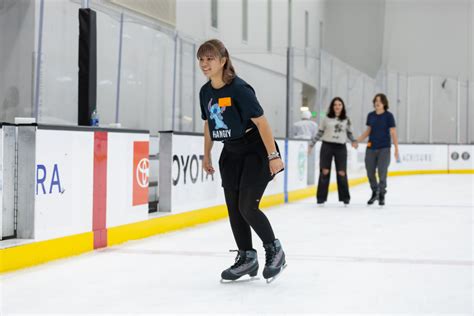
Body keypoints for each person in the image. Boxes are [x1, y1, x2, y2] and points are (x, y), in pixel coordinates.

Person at [198, 39, 286, 282]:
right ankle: (247, 257)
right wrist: (207, 153)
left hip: (256, 151)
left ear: (223, 60)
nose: (204, 64)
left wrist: (273, 156)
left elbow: (262, 122)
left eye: (210, 59)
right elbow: (208, 124)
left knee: (247, 206)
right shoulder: (205, 92)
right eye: (201, 59)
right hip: (231, 152)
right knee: (234, 209)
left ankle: (275, 250)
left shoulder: (239, 89)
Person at [308, 97, 358, 205]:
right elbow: (320, 133)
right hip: (327, 146)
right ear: (332, 106)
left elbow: (349, 133)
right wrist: (311, 144)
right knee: (325, 171)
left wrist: (354, 141)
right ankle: (321, 198)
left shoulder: (346, 119)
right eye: (335, 105)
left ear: (342, 106)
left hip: (341, 147)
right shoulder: (326, 118)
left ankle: (345, 198)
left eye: (339, 104)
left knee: (341, 172)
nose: (337, 106)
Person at [356, 93, 400, 206]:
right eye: (375, 100)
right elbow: (368, 131)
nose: (377, 102)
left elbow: (393, 132)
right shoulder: (371, 115)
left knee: (382, 172)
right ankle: (375, 191)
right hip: (371, 148)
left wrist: (396, 149)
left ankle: (382, 194)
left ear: (384, 103)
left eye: (379, 100)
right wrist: (358, 140)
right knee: (370, 172)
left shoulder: (389, 116)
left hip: (384, 148)